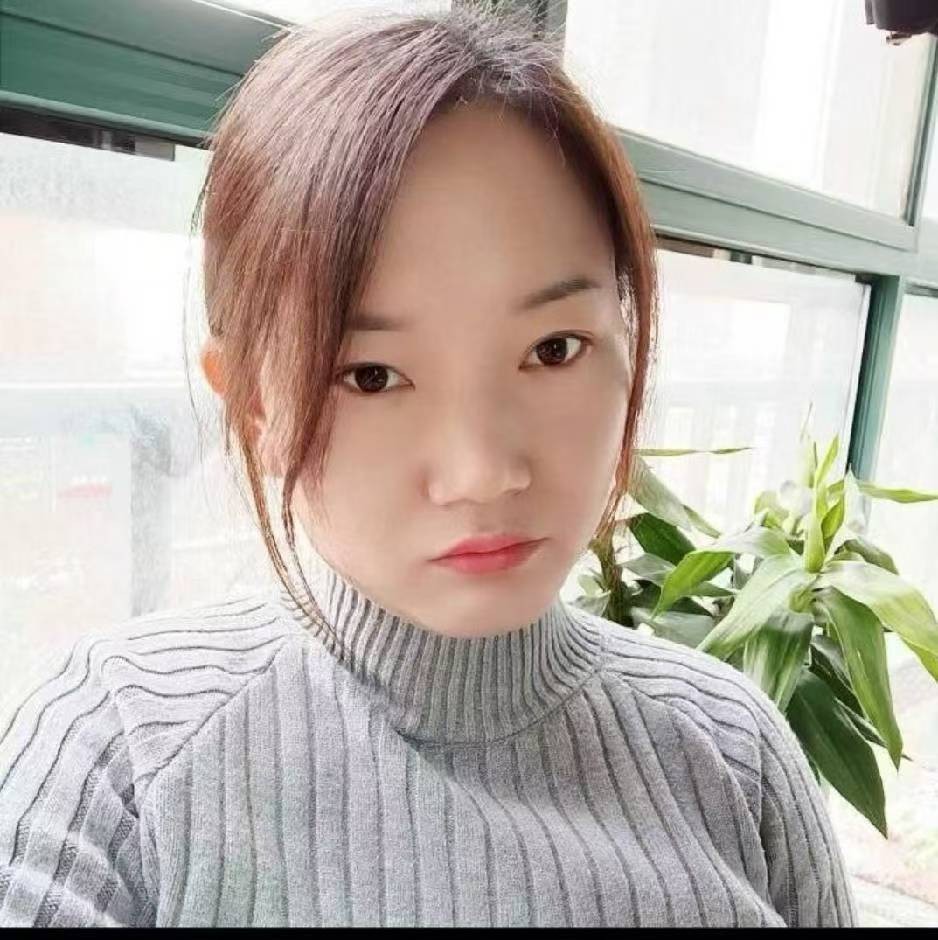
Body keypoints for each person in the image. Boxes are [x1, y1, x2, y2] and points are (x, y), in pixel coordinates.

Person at [0, 4, 858, 927]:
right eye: (371, 375)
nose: (482, 472)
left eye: (554, 350)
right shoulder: (117, 755)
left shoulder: (732, 750)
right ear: (251, 399)